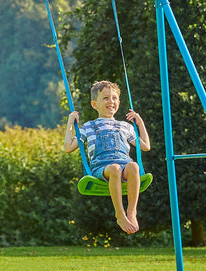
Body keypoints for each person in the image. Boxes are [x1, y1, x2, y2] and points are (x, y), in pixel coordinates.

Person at [64, 80, 151, 234]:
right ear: (94, 104)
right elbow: (68, 147)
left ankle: (131, 212)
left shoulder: (126, 126)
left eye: (114, 98)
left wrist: (140, 122)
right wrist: (70, 123)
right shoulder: (89, 127)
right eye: (105, 98)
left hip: (124, 165)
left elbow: (145, 146)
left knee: (134, 166)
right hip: (101, 167)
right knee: (114, 168)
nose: (111, 101)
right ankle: (120, 213)